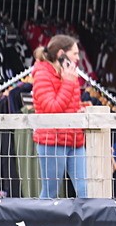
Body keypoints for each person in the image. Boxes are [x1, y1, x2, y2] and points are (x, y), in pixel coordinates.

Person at [32, 34, 89, 198]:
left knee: (85, 190)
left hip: (75, 140)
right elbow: (52, 108)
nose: (78, 58)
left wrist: (82, 110)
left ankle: (87, 224)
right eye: (75, 54)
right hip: (52, 141)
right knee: (50, 192)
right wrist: (69, 83)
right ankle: (42, 223)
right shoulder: (43, 74)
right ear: (61, 54)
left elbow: (69, 105)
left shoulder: (68, 74)